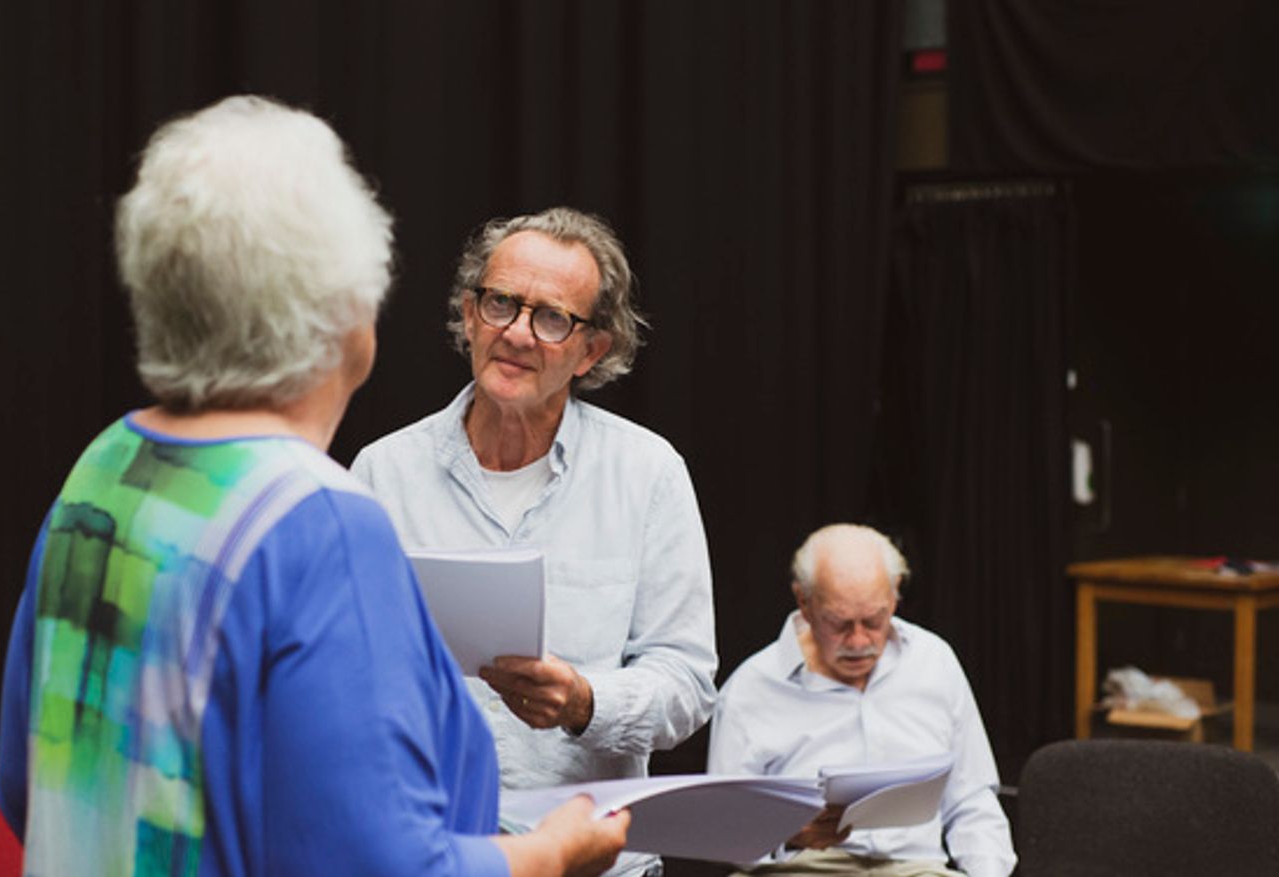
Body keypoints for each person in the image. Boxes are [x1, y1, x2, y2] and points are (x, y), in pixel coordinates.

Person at [0, 95, 628, 877]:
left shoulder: (99, 472)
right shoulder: (319, 523)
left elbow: (29, 787)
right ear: (337, 314)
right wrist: (553, 853)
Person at [352, 207, 718, 877]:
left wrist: (585, 701)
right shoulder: (383, 472)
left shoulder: (647, 473)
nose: (517, 333)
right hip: (432, 855)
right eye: (501, 304)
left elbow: (688, 682)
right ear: (469, 314)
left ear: (592, 351)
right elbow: (346, 668)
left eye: (552, 318)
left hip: (597, 865)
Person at [707, 524, 1015, 877]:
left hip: (916, 868)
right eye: (839, 623)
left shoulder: (934, 661)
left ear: (896, 594)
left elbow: (972, 799)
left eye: (874, 620)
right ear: (804, 603)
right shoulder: (752, 687)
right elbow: (726, 832)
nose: (858, 641)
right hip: (802, 868)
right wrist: (789, 837)